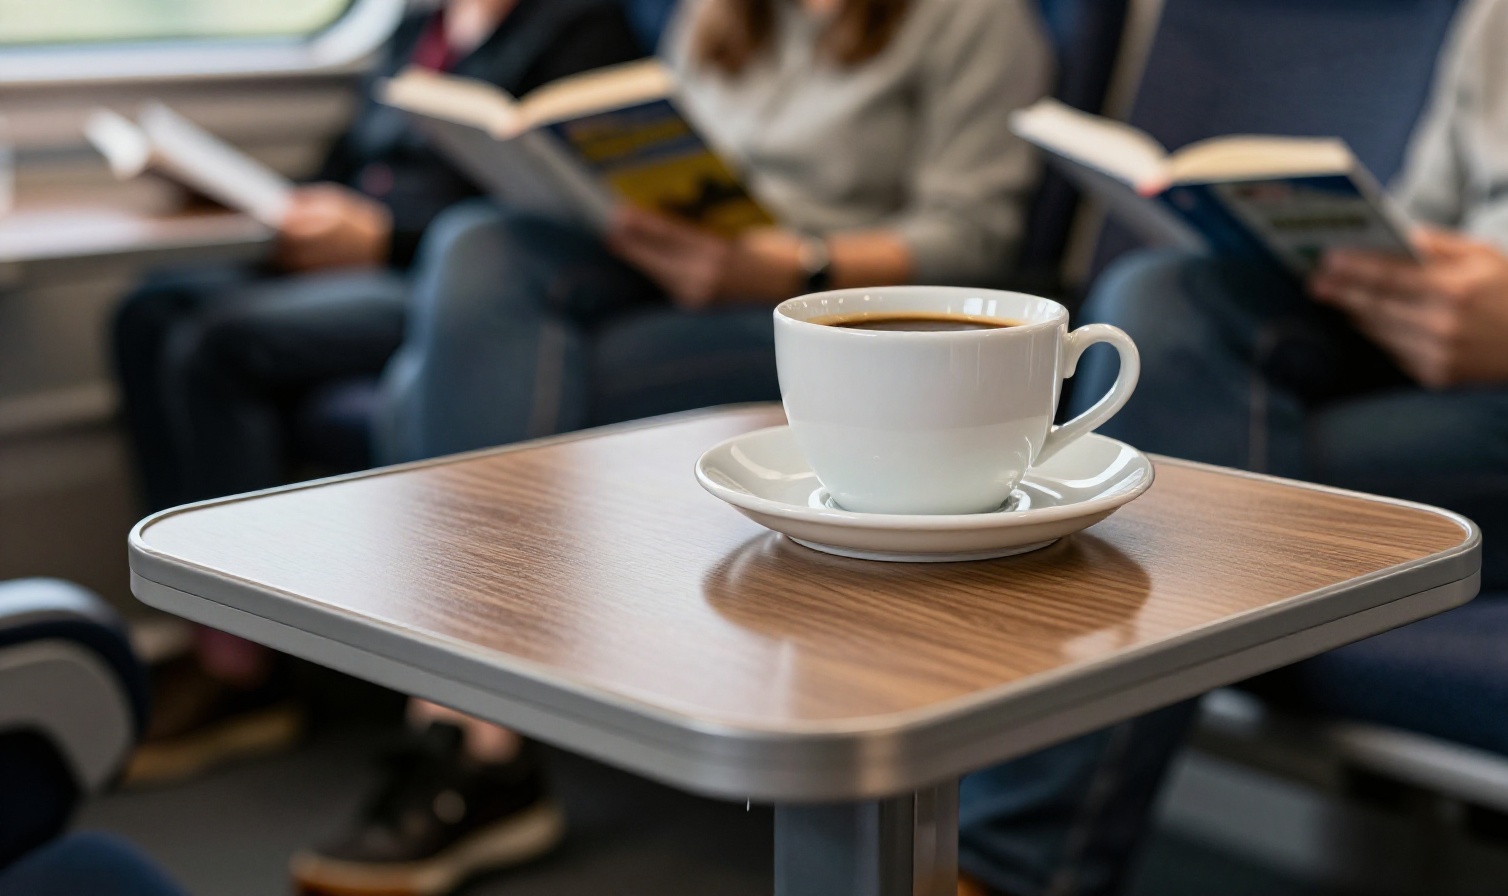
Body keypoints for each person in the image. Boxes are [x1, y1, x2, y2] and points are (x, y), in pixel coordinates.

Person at [290, 0, 1053, 893]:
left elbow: (974, 237)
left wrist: (792, 262)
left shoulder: (974, 21)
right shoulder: (719, 14)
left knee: (437, 386)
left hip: (816, 307)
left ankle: (473, 733)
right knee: (478, 242)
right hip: (676, 272)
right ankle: (475, 717)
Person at [957, 0, 1508, 894]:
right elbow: (1429, 217)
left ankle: (1004, 869)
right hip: (1439, 371)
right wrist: (1374, 274)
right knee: (1162, 294)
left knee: (1172, 475)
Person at [110, 0, 644, 787]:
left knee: (218, 343)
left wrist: (380, 234)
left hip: (426, 268)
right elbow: (351, 152)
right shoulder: (418, 26)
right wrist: (288, 207)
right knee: (149, 309)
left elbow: (543, 205)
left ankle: (250, 662)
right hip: (361, 248)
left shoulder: (577, 28)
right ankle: (213, 640)